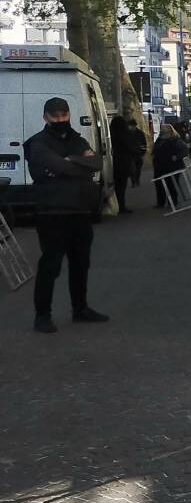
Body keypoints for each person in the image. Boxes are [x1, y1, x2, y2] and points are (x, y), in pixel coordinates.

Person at [24, 97, 109, 332]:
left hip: (80, 211)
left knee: (81, 264)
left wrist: (68, 162)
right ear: (45, 117)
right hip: (52, 213)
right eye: (55, 116)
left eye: (64, 115)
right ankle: (42, 316)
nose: (60, 120)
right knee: (50, 266)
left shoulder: (77, 139)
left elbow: (97, 164)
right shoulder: (37, 143)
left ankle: (80, 309)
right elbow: (57, 165)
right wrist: (77, 166)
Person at [152, 124, 189, 207]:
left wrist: (176, 157)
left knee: (171, 183)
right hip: (160, 165)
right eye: (162, 129)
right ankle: (160, 202)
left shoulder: (175, 139)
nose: (162, 130)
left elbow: (184, 150)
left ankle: (172, 201)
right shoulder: (160, 139)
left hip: (172, 166)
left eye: (164, 129)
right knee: (159, 184)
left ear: (169, 130)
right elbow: (155, 149)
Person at [108, 116, 135, 215]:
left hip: (112, 163)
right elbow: (130, 148)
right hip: (123, 164)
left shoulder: (111, 135)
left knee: (116, 187)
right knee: (121, 187)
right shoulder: (125, 135)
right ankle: (121, 206)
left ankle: (115, 205)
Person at [127, 119, 146, 187]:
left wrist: (143, 152)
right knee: (132, 169)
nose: (131, 127)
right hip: (130, 154)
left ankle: (137, 180)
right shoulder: (127, 134)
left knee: (138, 168)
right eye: (130, 126)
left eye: (132, 126)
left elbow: (144, 143)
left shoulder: (140, 133)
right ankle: (133, 182)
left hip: (138, 153)